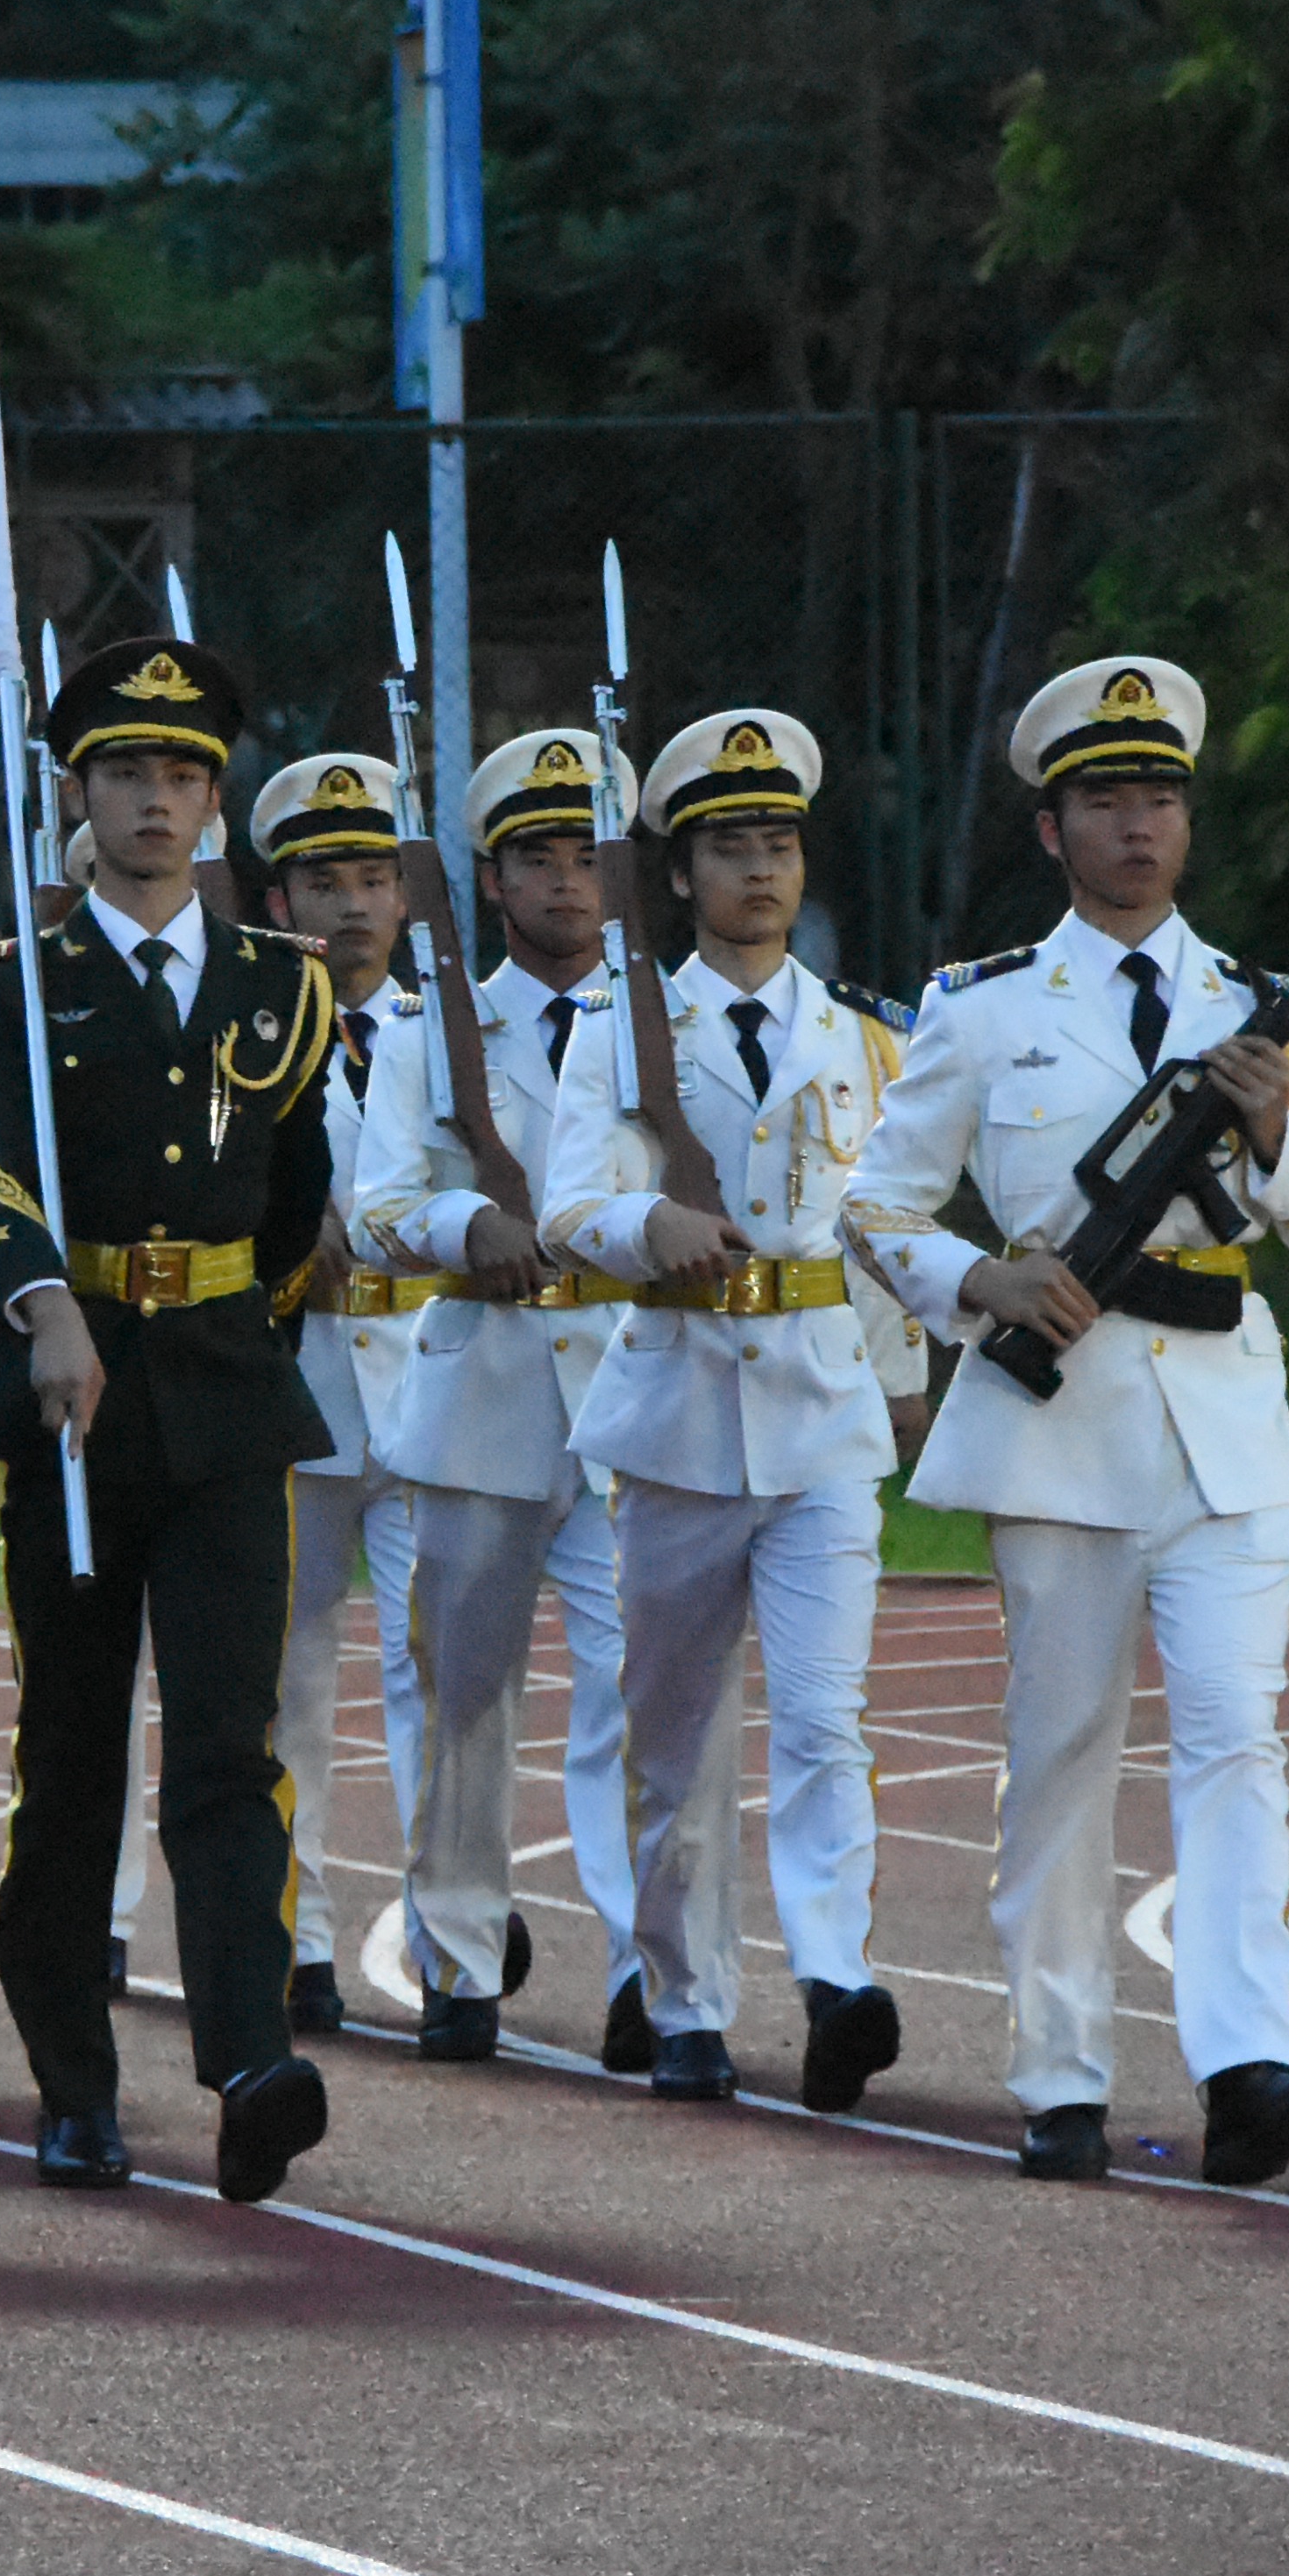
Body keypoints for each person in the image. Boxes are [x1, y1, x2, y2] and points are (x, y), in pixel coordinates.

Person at [842, 656, 1289, 2189]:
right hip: (1059, 1428)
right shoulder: (983, 1007)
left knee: (1237, 1739)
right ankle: (1060, 2072)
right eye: (1106, 801)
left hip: (1222, 1421)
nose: (1138, 827)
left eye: (1159, 799)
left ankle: (1251, 2064)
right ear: (1051, 828)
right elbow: (874, 1206)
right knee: (1063, 1753)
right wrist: (981, 1279)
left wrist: (1271, 1126)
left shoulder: (1259, 1011)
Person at [0, 631, 345, 2203]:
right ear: (78, 792)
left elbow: (297, 1201)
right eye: (125, 772)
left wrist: (240, 1333)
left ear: (217, 797)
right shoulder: (8, 984)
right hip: (76, 1402)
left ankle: (249, 2061)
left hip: (227, 1405)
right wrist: (45, 1304)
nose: (156, 800)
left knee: (229, 1746)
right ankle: (74, 2082)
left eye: (183, 773)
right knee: (71, 1754)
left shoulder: (280, 987)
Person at [531, 708, 930, 2110]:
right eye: (729, 847)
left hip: (821, 1412)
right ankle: (686, 1996)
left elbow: (884, 1224)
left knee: (824, 1718)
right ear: (681, 871)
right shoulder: (620, 1026)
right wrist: (650, 1226)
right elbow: (567, 1204)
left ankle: (836, 1977)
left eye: (778, 844)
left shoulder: (868, 1035)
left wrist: (903, 1379)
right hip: (680, 1415)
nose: (759, 870)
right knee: (677, 1739)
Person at [354, 726, 644, 2068]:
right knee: (467, 1700)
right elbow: (380, 1207)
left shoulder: (666, 1030)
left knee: (642, 1692)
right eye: (539, 858)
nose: (567, 882)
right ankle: (461, 1958)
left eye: (589, 855)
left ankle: (654, 1971)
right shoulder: (433, 1028)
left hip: (636, 1388)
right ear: (491, 878)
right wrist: (466, 1221)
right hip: (486, 1389)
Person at [241, 754, 431, 2036]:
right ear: (278, 900)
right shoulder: (246, 1036)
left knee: (437, 1676)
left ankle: (446, 1934)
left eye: (373, 878)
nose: (353, 904)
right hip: (293, 1380)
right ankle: (296, 1934)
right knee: (287, 1684)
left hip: (428, 1389)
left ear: (406, 897)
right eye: (324, 881)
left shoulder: (458, 1035)